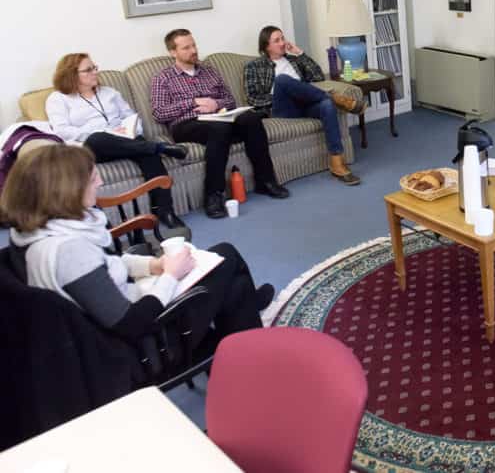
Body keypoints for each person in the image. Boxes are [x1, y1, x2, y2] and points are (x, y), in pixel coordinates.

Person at [2, 145, 274, 353]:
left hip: (127, 312)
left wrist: (152, 266)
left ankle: (243, 317)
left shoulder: (39, 231)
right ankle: (246, 336)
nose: (100, 183)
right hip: (141, 344)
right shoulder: (69, 252)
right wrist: (170, 275)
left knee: (233, 285)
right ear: (66, 190)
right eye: (93, 178)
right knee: (227, 261)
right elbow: (130, 324)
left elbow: (107, 264)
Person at [151, 29, 289, 219]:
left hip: (219, 118)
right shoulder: (163, 78)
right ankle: (213, 195)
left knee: (251, 118)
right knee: (220, 129)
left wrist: (216, 104)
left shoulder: (209, 71)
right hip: (187, 124)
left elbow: (229, 100)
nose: (193, 50)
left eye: (194, 45)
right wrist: (194, 102)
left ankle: (265, 181)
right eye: (186, 47)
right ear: (173, 52)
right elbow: (159, 113)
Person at [45, 53, 188, 232]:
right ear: (72, 74)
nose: (95, 72)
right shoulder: (59, 99)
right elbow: (62, 130)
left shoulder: (110, 93)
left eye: (95, 67)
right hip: (92, 148)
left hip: (124, 140)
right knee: (98, 138)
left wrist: (130, 129)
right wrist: (104, 132)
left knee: (148, 154)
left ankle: (165, 211)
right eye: (88, 70)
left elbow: (131, 117)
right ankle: (160, 148)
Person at [244, 26, 363, 185]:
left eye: (282, 38)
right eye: (277, 40)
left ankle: (337, 163)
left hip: (305, 103)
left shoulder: (293, 61)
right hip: (281, 108)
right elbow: (252, 98)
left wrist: (299, 53)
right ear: (266, 46)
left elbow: (318, 76)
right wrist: (279, 95)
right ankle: (338, 99)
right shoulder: (254, 66)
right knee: (282, 80)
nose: (282, 43)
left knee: (326, 105)